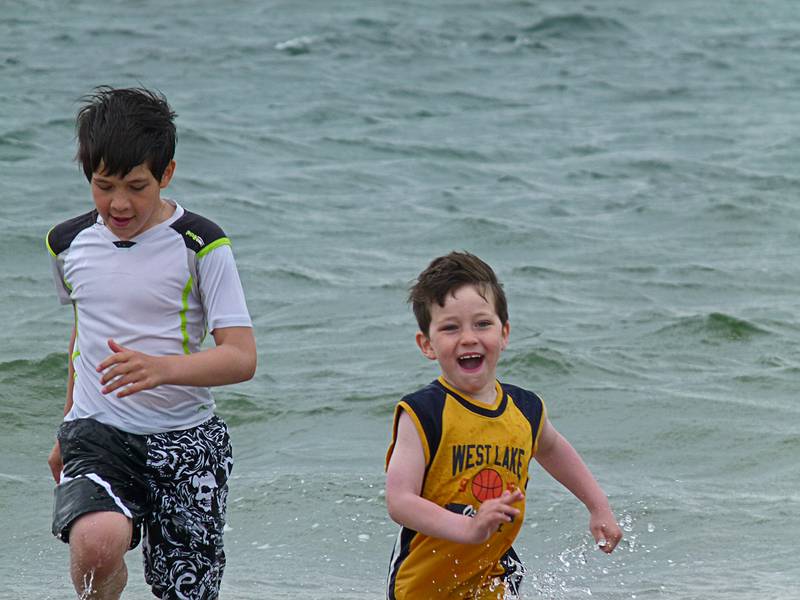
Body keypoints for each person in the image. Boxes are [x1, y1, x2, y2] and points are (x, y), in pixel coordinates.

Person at [45, 86, 257, 600]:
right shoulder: (66, 243)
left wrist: (163, 369)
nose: (119, 203)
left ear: (166, 174)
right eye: (103, 185)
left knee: (185, 591)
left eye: (137, 186)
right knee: (95, 546)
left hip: (186, 441)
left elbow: (241, 356)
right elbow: (85, 336)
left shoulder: (202, 244)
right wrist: (67, 423)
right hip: (98, 431)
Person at [384, 251, 622, 599]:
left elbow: (553, 448)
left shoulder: (525, 410)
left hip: (492, 577)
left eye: (482, 324)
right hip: (422, 586)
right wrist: (468, 528)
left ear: (504, 333)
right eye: (450, 327)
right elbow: (399, 501)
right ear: (427, 344)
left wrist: (597, 505)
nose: (468, 337)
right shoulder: (423, 412)